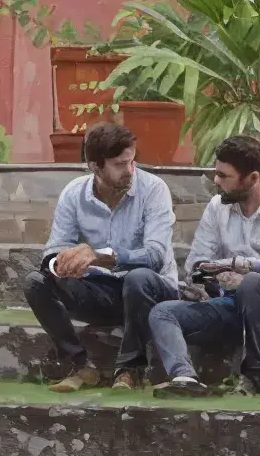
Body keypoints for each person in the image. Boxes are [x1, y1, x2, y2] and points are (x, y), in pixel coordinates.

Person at [151, 131, 260, 394]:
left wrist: (240, 267)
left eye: (224, 176)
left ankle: (251, 378)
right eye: (217, 173)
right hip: (231, 303)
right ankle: (185, 378)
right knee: (163, 312)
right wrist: (214, 278)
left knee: (253, 283)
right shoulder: (217, 207)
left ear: (253, 178)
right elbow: (196, 268)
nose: (216, 180)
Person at [25, 121, 171, 386]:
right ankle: (80, 365)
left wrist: (100, 255)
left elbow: (156, 256)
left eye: (132, 162)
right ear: (95, 166)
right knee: (36, 282)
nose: (129, 171)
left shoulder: (154, 189)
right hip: (101, 292)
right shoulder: (74, 193)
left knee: (138, 278)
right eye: (119, 165)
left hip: (152, 294)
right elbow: (54, 248)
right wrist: (63, 262)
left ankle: (129, 370)